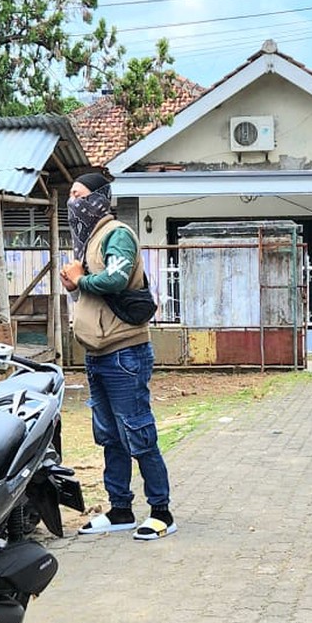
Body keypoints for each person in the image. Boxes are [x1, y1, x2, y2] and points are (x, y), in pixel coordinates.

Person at [60, 171, 175, 541]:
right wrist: (75, 283)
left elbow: (115, 280)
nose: (73, 203)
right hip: (97, 354)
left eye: (79, 196)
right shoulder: (89, 240)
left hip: (125, 354)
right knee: (109, 436)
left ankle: (161, 511)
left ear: (97, 199)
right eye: (71, 197)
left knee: (138, 432)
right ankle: (120, 509)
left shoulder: (118, 235)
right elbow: (93, 290)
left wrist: (80, 280)